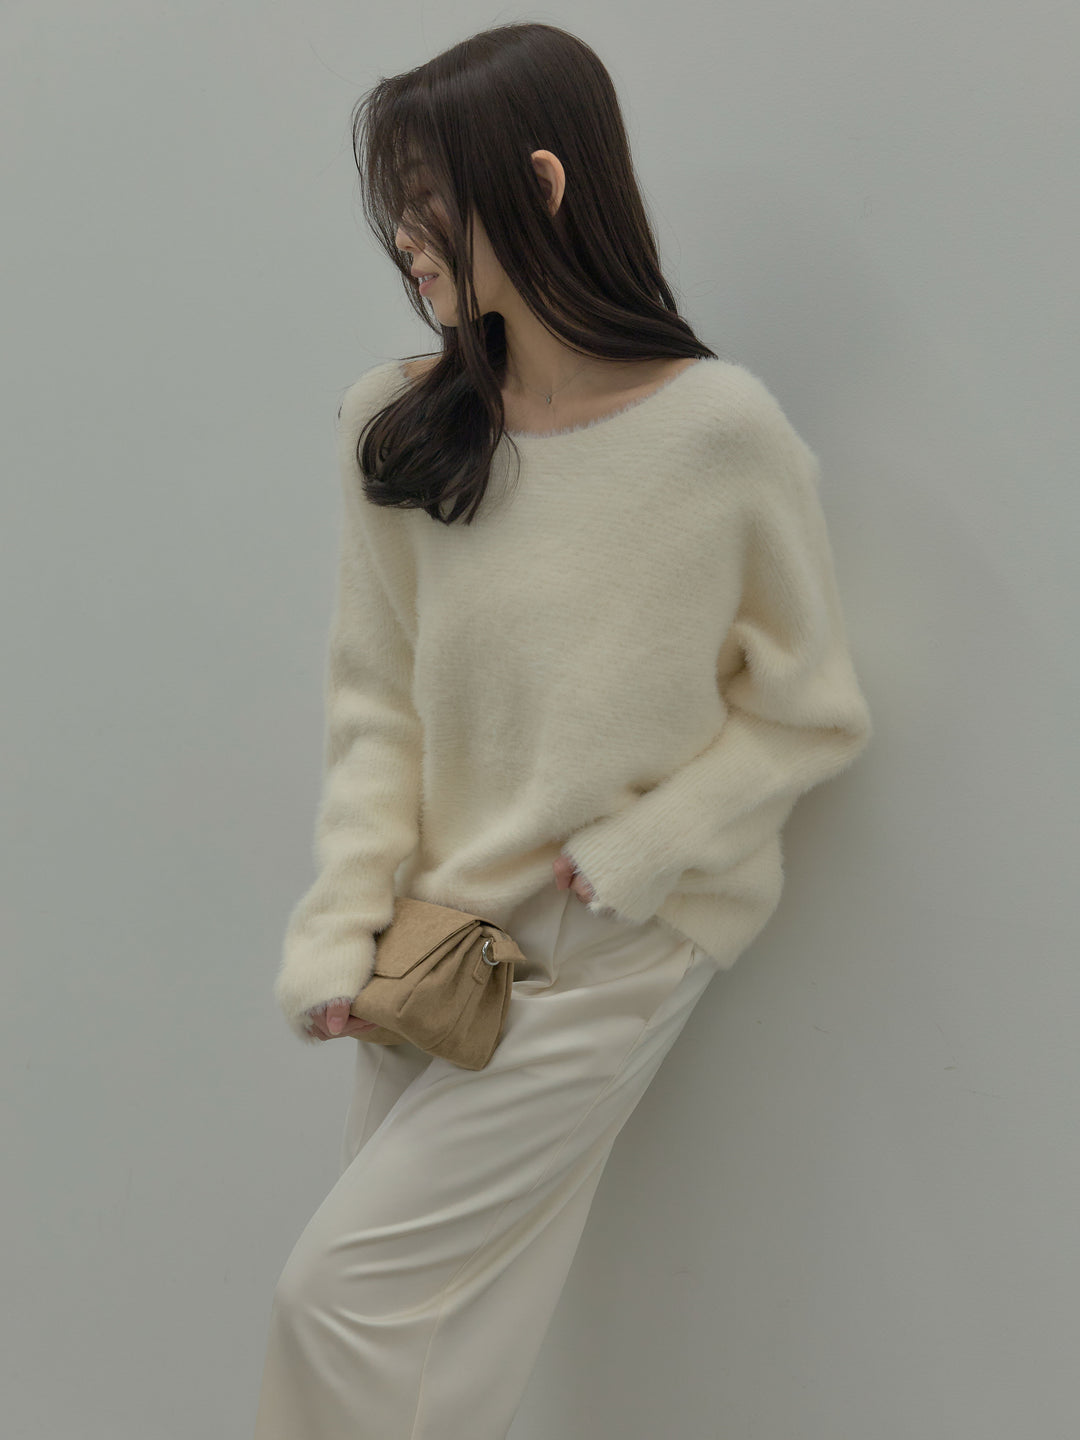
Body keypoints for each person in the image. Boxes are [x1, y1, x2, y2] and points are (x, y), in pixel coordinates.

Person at [253, 21, 873, 1440]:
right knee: (425, 1344)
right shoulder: (401, 428)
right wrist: (341, 928)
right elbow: (376, 710)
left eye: (429, 201)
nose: (404, 240)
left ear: (539, 183)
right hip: (433, 946)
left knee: (338, 1301)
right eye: (395, 206)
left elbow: (810, 710)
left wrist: (645, 851)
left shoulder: (720, 434)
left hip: (610, 947)